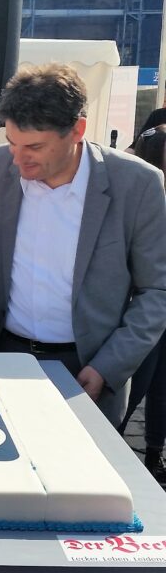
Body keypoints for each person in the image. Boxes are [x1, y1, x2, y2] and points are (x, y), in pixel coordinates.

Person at [0, 63, 166, 427]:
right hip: (4, 357)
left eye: (34, 146)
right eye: (12, 143)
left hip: (89, 369)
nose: (18, 160)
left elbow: (157, 290)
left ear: (77, 130)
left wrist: (108, 366)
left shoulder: (138, 184)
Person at [120, 124, 166, 485]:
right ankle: (139, 452)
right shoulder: (143, 190)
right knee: (141, 383)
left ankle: (152, 453)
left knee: (159, 385)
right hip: (146, 308)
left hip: (149, 304)